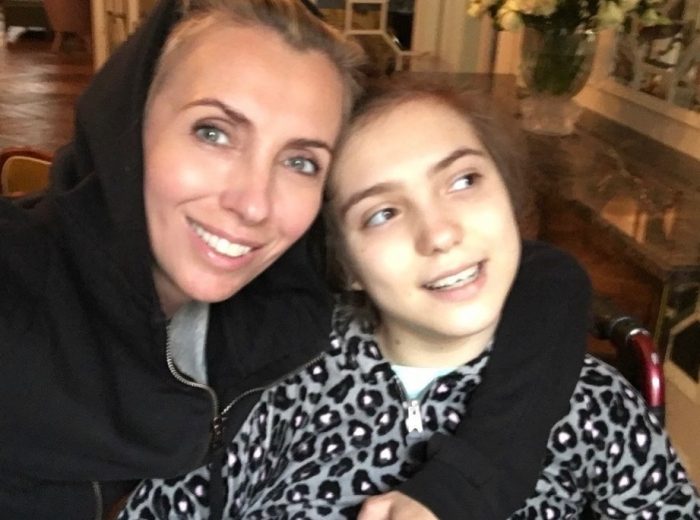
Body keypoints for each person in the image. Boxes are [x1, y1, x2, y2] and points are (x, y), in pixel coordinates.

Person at [1, 1, 589, 519]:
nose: (253, 204)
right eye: (213, 132)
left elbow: (542, 275)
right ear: (127, 121)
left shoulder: (288, 287)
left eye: (300, 161)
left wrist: (470, 482)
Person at [118, 78, 700, 520]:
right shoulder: (277, 372)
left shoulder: (592, 402)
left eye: (463, 181)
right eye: (383, 213)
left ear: (508, 196)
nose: (439, 234)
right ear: (345, 263)